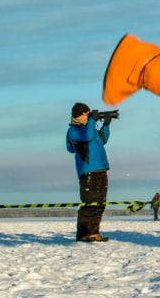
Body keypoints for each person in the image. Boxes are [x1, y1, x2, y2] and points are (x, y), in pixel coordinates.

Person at [66, 102, 112, 242]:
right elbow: (87, 137)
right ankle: (83, 234)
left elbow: (101, 139)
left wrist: (106, 125)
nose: (89, 116)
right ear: (80, 115)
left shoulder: (88, 128)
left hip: (101, 169)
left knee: (99, 203)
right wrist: (92, 121)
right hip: (88, 172)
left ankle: (94, 232)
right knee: (89, 203)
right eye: (87, 114)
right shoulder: (75, 130)